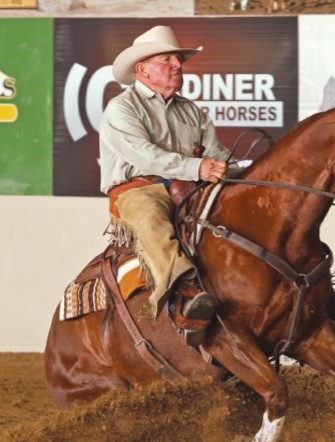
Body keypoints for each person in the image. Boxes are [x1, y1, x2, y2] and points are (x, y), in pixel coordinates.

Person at [99, 26, 235, 347]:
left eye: (178, 59)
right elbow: (145, 155)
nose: (177, 64)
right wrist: (197, 166)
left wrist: (235, 171)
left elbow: (217, 155)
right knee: (150, 216)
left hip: (189, 188)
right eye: (167, 59)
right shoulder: (122, 108)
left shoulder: (192, 111)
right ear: (142, 70)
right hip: (138, 189)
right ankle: (184, 293)